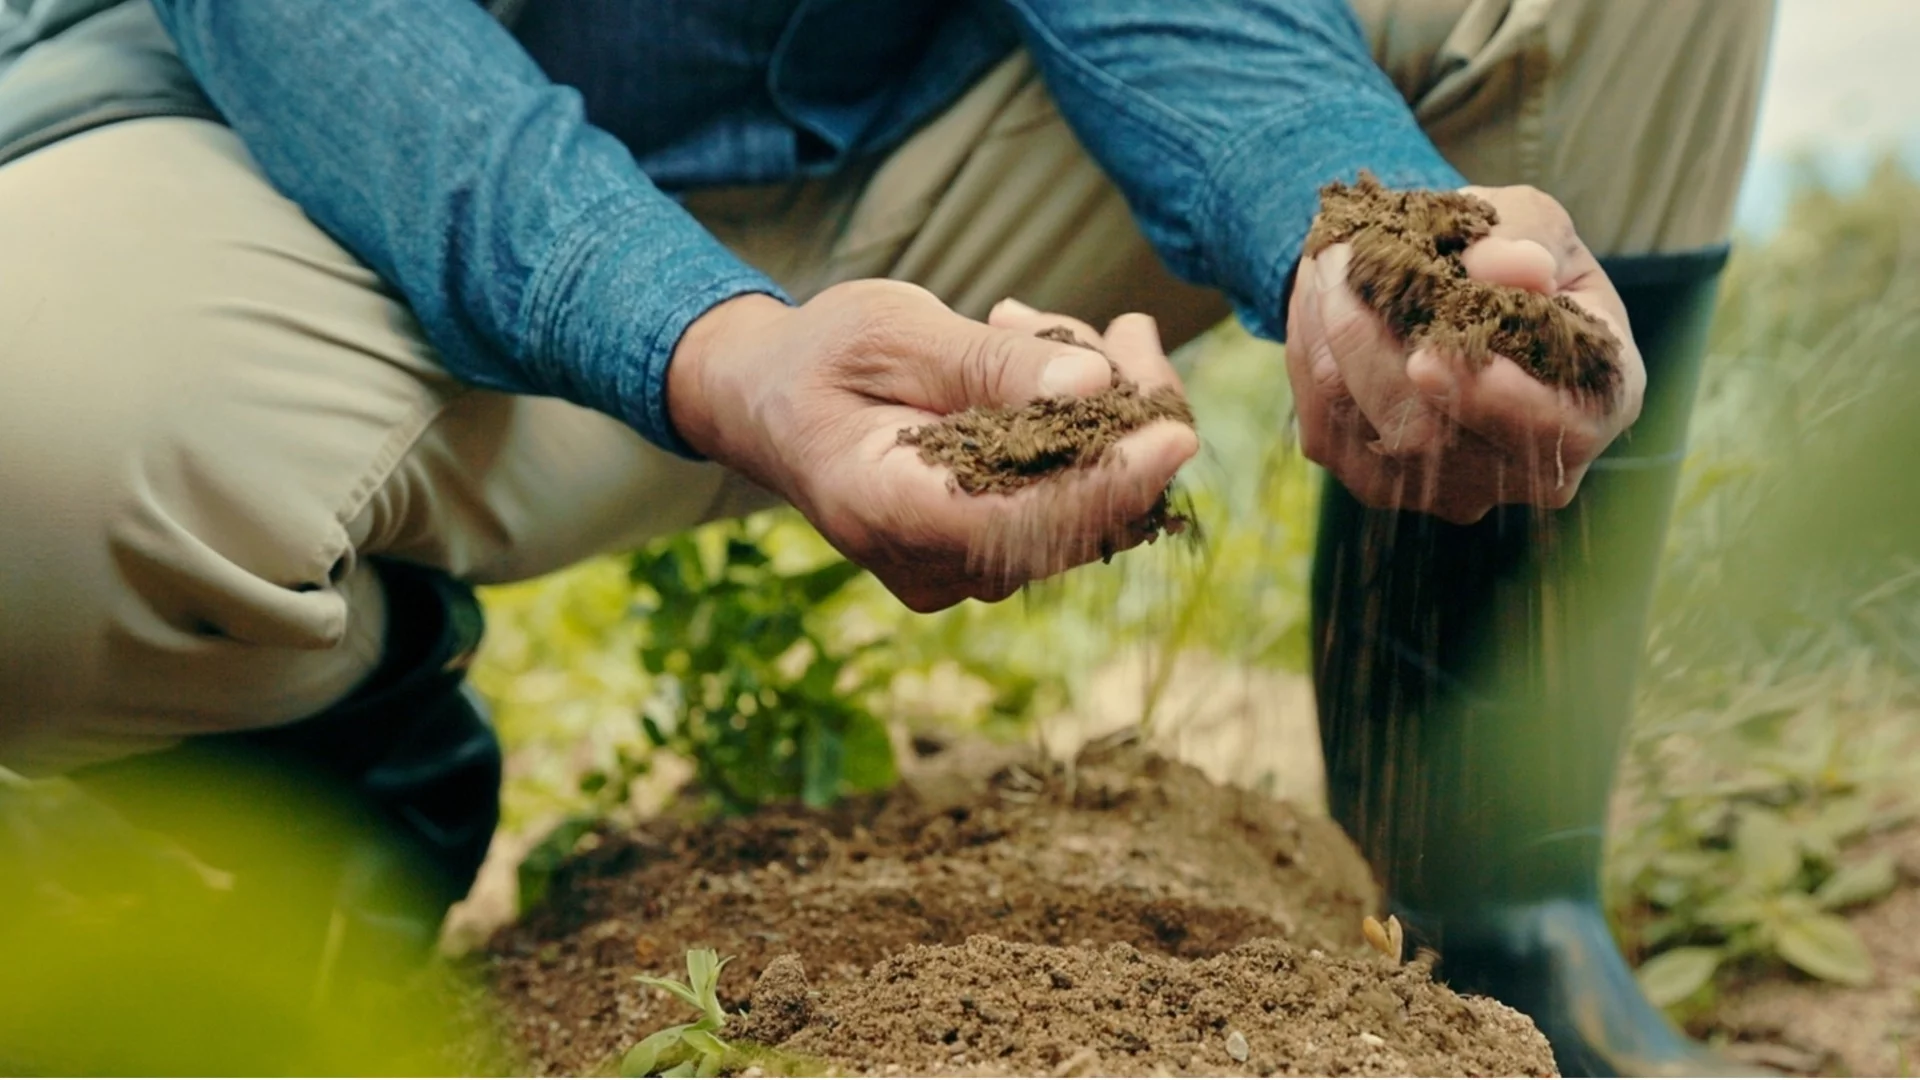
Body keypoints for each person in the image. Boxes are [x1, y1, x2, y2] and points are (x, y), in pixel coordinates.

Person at [0, 0, 1771, 1073]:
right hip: (347, 169)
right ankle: (328, 730)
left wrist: (1341, 219)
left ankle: (1500, 905)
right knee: (34, 447)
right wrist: (719, 346)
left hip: (940, 129)